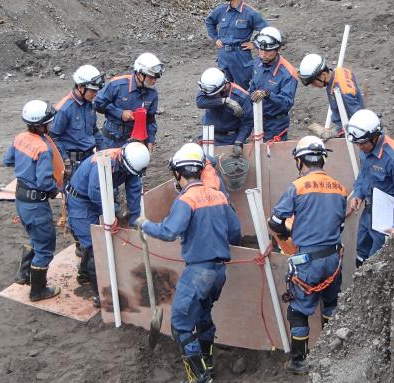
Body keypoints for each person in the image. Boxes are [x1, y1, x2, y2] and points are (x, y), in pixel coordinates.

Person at [135, 143, 242, 382]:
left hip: (198, 272)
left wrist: (144, 224)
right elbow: (235, 232)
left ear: (178, 173)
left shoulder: (187, 199)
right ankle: (208, 362)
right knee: (203, 315)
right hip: (218, 272)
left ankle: (199, 376)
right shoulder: (219, 196)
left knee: (182, 324)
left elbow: (170, 232)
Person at [268, 136, 348, 374]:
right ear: (322, 159)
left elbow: (275, 221)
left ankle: (299, 361)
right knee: (331, 304)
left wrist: (288, 233)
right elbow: (340, 225)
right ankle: (332, 353)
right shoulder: (339, 188)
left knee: (298, 310)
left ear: (300, 161)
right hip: (333, 258)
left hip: (308, 262)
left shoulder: (298, 186)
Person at [65, 142, 150, 306]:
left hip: (99, 196)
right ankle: (100, 294)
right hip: (81, 202)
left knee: (96, 245)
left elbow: (133, 192)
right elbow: (95, 193)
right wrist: (114, 212)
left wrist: (135, 222)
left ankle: (83, 274)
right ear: (123, 161)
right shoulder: (102, 164)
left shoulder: (131, 164)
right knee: (93, 246)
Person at [4, 100, 64, 301]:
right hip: (36, 205)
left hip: (21, 200)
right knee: (46, 246)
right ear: (41, 125)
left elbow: (8, 160)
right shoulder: (43, 148)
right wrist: (56, 190)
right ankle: (38, 291)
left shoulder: (20, 138)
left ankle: (23, 275)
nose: (51, 125)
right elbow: (45, 182)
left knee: (34, 236)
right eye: (49, 122)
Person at [345, 110, 394, 265]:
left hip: (386, 219)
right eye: (356, 143)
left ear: (374, 136)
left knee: (374, 262)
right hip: (368, 213)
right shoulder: (365, 149)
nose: (359, 147)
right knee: (361, 254)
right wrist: (358, 193)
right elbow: (363, 175)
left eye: (362, 143)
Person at [205, 0, 268, 89]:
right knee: (224, 90)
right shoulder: (221, 10)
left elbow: (267, 32)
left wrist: (255, 44)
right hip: (224, 57)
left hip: (241, 59)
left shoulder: (250, 13)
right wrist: (216, 38)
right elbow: (209, 22)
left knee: (244, 91)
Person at [94, 52, 163, 153]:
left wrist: (150, 140)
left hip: (134, 143)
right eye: (151, 77)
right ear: (139, 74)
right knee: (107, 168)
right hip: (110, 141)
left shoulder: (153, 94)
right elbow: (98, 103)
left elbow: (150, 120)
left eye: (156, 78)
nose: (154, 81)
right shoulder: (117, 85)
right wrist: (120, 113)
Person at [50, 64, 105, 179]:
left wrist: (104, 150)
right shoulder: (64, 109)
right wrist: (65, 162)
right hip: (73, 164)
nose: (96, 94)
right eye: (92, 91)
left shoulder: (89, 104)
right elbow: (53, 137)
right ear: (80, 87)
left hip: (89, 158)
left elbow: (93, 129)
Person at [248, 27, 298, 142]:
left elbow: (287, 103)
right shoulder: (257, 64)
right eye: (261, 50)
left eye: (268, 51)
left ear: (278, 49)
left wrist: (268, 94)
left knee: (274, 156)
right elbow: (252, 87)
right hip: (256, 118)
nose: (263, 54)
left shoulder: (288, 74)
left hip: (276, 124)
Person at [298, 54, 365, 138]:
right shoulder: (339, 72)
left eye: (313, 82)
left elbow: (358, 122)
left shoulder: (342, 92)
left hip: (354, 133)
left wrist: (336, 132)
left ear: (323, 75)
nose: (313, 85)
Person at [196, 67, 253, 155]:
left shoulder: (241, 97)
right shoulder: (208, 87)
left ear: (223, 88)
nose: (211, 97)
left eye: (214, 95)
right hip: (208, 133)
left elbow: (247, 123)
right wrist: (224, 101)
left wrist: (239, 142)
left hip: (229, 139)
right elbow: (200, 102)